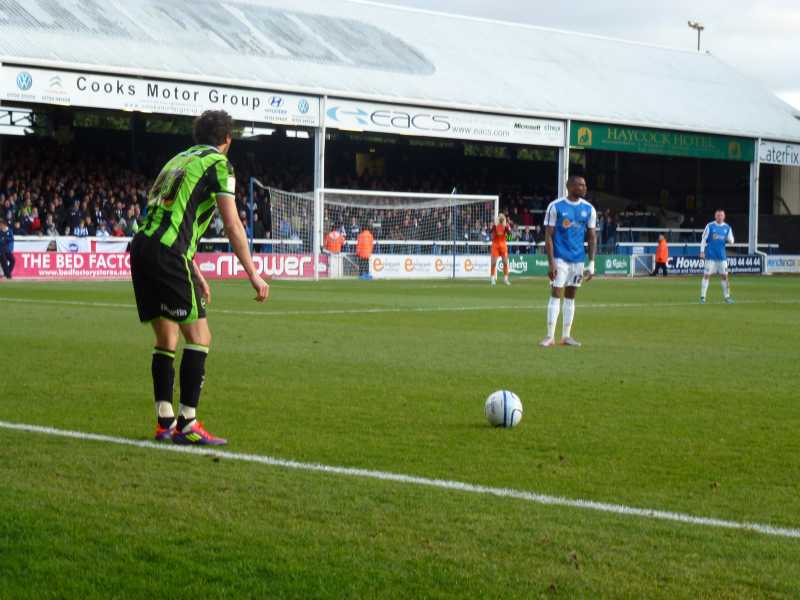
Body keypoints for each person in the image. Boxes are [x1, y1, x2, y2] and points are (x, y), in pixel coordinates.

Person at [131, 110, 270, 446]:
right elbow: (233, 223)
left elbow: (169, 216)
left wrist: (195, 272)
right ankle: (188, 424)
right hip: (168, 254)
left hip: (141, 248)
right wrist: (253, 273)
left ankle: (165, 422)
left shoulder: (176, 161)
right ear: (228, 139)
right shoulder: (219, 165)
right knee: (200, 336)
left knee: (166, 339)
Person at [540, 175, 597, 348]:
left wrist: (591, 263)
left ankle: (566, 336)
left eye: (585, 185)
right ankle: (550, 336)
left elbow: (592, 236)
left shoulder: (589, 209)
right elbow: (548, 236)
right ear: (570, 186)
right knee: (556, 292)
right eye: (581, 185)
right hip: (559, 258)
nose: (584, 188)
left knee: (571, 296)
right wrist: (551, 263)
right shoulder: (555, 206)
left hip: (578, 260)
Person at [699, 209, 734, 304]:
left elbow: (732, 240)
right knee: (706, 276)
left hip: (722, 257)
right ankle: (702, 297)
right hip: (710, 256)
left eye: (721, 215)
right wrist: (702, 251)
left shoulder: (727, 227)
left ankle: (727, 297)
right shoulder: (710, 226)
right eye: (718, 215)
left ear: (724, 216)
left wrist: (730, 240)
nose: (720, 217)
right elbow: (703, 239)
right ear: (715, 216)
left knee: (725, 277)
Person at [490, 213, 511, 286]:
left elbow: (510, 237)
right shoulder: (495, 225)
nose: (501, 219)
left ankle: (505, 278)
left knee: (505, 262)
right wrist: (495, 225)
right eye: (500, 218)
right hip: (495, 245)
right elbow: (490, 232)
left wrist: (506, 228)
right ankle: (492, 278)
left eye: (502, 218)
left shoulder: (506, 226)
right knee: (493, 263)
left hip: (503, 246)